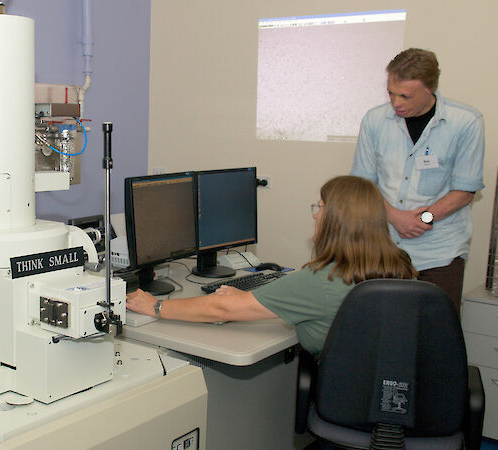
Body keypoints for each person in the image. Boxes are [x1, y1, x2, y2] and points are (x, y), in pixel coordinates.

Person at [126, 176, 417, 355]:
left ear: (339, 222)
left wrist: (155, 307)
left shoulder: (322, 280)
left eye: (321, 208)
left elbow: (222, 310)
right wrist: (245, 299)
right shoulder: (400, 265)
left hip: (349, 396)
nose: (316, 216)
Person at [351, 48, 485, 311]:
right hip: (383, 249)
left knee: (433, 338)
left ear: (429, 90)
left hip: (439, 253)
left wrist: (423, 219)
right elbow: (363, 183)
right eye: (391, 93)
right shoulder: (375, 120)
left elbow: (465, 190)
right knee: (382, 333)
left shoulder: (465, 122)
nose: (396, 102)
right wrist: (395, 217)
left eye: (405, 96)